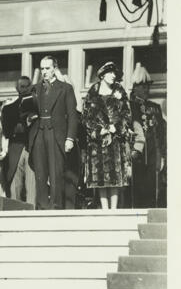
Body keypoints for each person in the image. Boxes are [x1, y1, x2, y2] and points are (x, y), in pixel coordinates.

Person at [27, 56, 78, 210]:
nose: (44, 72)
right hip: (39, 134)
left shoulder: (65, 88)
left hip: (57, 135)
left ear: (55, 69)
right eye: (42, 68)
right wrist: (29, 118)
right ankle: (42, 206)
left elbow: (72, 115)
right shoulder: (34, 89)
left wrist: (70, 138)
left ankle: (55, 207)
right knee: (40, 172)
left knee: (56, 173)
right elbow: (26, 112)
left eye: (48, 68)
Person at [82, 62, 133, 209]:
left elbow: (126, 114)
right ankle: (104, 209)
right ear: (102, 75)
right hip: (97, 142)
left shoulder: (120, 91)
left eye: (114, 73)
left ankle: (114, 208)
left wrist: (115, 127)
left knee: (115, 176)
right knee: (99, 176)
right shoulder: (92, 92)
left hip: (115, 141)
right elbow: (86, 118)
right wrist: (99, 131)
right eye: (110, 73)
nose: (113, 76)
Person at [129, 65, 167, 208]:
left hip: (152, 153)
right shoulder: (128, 106)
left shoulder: (155, 107)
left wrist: (162, 155)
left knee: (152, 190)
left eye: (147, 86)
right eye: (143, 86)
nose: (146, 90)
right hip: (135, 154)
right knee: (135, 190)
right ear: (135, 87)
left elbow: (162, 133)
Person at [1, 76, 36, 205]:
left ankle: (32, 214)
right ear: (17, 89)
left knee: (32, 186)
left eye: (28, 86)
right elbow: (6, 132)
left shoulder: (37, 106)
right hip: (16, 148)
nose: (25, 89)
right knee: (15, 185)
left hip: (32, 148)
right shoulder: (8, 109)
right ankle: (14, 212)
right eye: (22, 86)